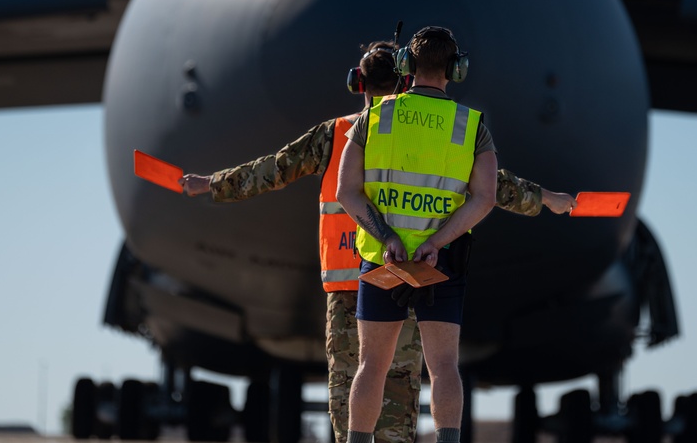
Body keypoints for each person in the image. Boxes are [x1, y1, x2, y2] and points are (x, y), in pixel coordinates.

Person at [181, 38, 575, 443]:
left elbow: (272, 169)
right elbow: (495, 187)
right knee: (405, 397)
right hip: (410, 275)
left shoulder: (341, 134)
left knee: (354, 399)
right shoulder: (432, 130)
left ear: (359, 83)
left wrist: (213, 184)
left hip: (353, 283)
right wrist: (549, 198)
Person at [337, 26, 506, 443]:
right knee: (444, 366)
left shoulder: (373, 117)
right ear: (456, 69)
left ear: (406, 66)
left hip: (383, 261)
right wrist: (436, 241)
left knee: (371, 365)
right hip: (441, 262)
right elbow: (484, 198)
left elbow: (347, 192)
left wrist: (388, 237)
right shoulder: (472, 125)